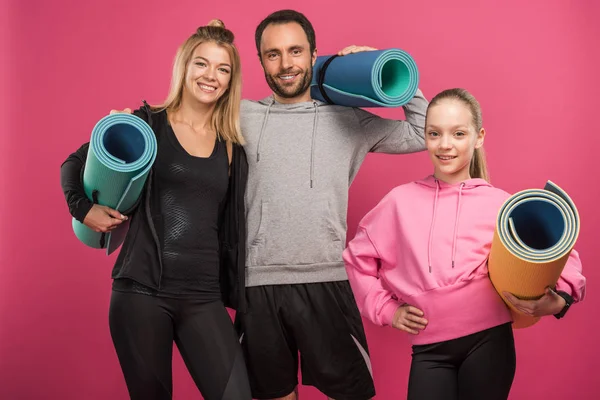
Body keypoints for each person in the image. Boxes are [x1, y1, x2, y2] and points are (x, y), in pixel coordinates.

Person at [234, 9, 429, 400]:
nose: (286, 63)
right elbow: (183, 126)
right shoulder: (240, 117)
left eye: (295, 51)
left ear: (313, 55)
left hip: (328, 279)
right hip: (258, 286)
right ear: (260, 61)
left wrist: (380, 62)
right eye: (273, 54)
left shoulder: (348, 119)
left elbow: (423, 132)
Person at [342, 88, 586, 400]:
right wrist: (387, 310)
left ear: (478, 137)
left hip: (489, 344)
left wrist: (560, 301)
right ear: (426, 136)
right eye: (434, 133)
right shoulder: (398, 203)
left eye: (458, 133)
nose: (445, 145)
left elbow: (564, 254)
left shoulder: (501, 205)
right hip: (429, 350)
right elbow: (356, 259)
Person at [60, 20, 251, 400]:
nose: (211, 76)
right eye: (202, 63)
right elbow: (73, 163)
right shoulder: (145, 123)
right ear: (184, 66)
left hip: (204, 296)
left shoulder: (232, 144)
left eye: (223, 68)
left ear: (231, 80)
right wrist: (83, 210)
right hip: (141, 293)